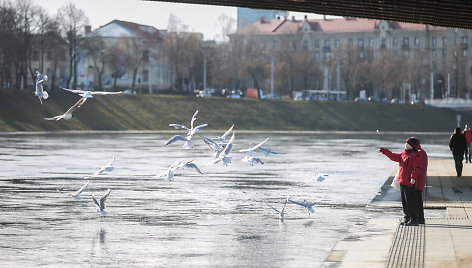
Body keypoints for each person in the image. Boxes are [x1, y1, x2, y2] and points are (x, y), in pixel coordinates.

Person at [377, 137, 428, 226]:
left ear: (413, 146)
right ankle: (407, 217)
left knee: (410, 201)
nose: (406, 145)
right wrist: (383, 151)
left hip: (410, 182)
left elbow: (418, 168)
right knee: (404, 202)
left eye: (408, 144)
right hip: (402, 181)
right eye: (406, 143)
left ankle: (414, 219)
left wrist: (413, 177)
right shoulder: (403, 154)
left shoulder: (416, 155)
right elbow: (393, 156)